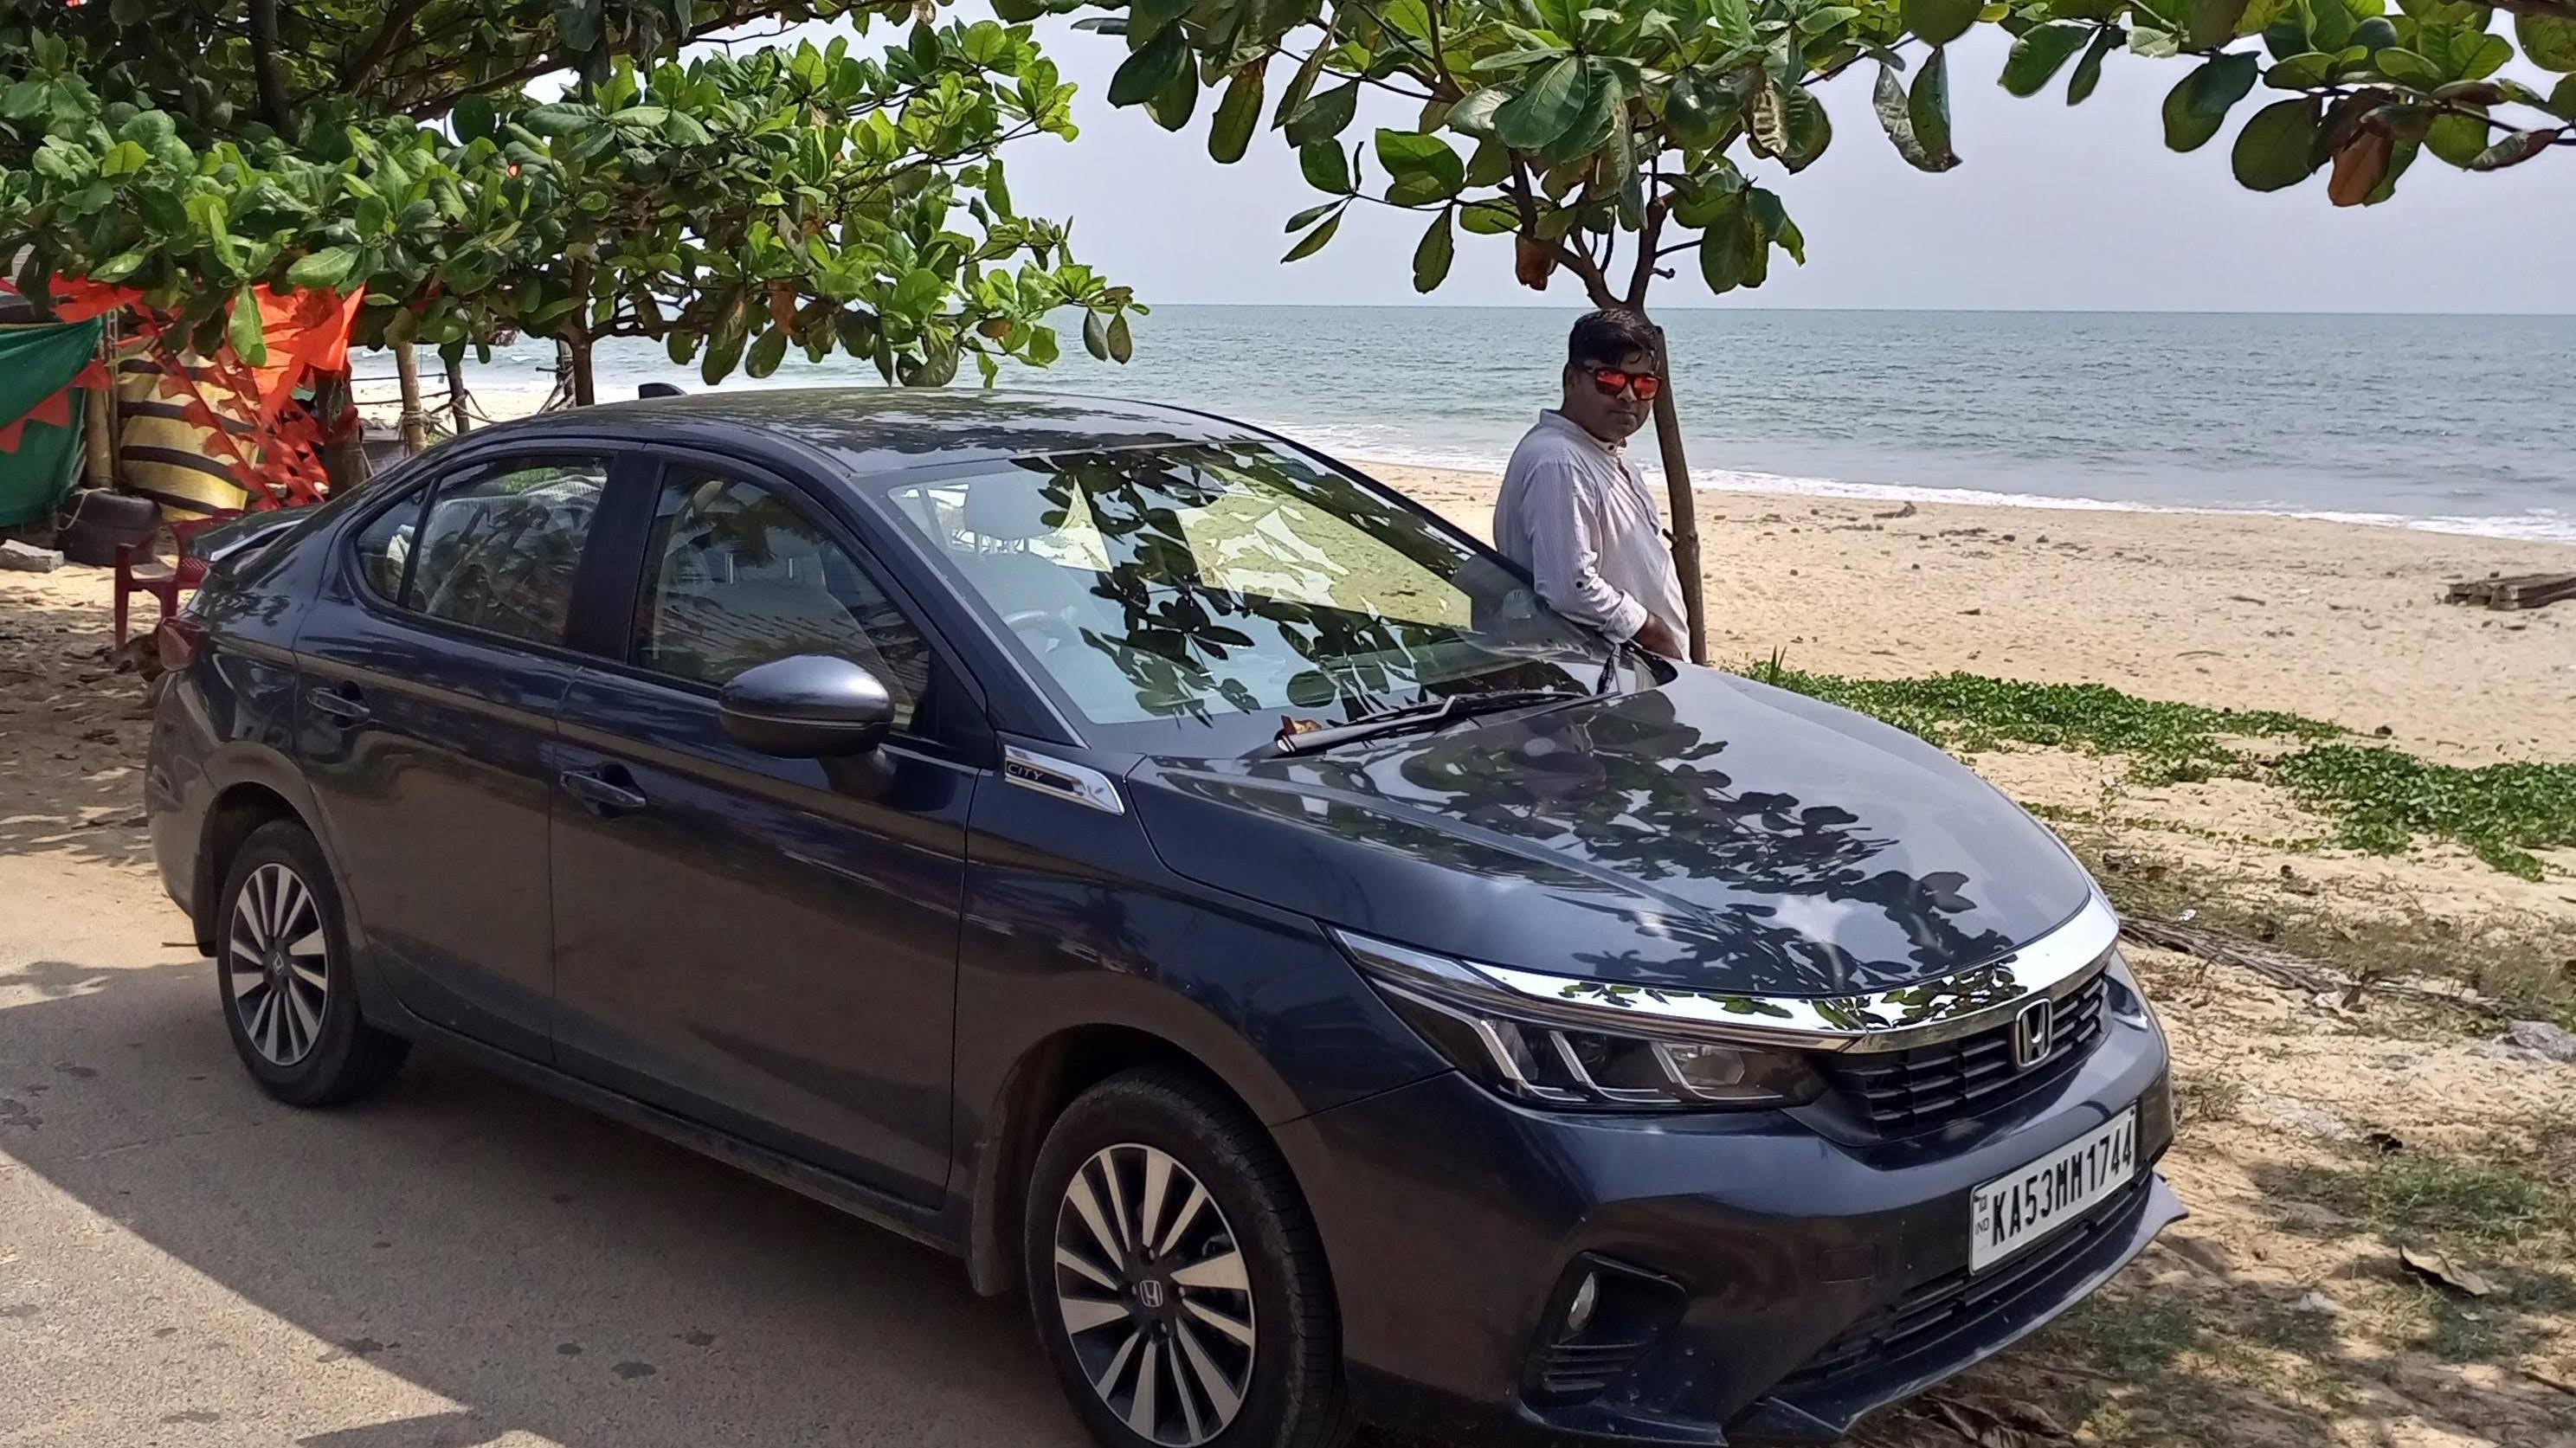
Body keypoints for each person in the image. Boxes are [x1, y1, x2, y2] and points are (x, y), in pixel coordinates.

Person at [1492, 308, 1690, 660]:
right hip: (1609, 679)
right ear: (1572, 379)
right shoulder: (1560, 461)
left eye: (1644, 384)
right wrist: (1651, 630)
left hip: (1640, 673)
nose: (1629, 395)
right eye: (1610, 380)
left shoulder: (1605, 455)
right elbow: (1570, 587)